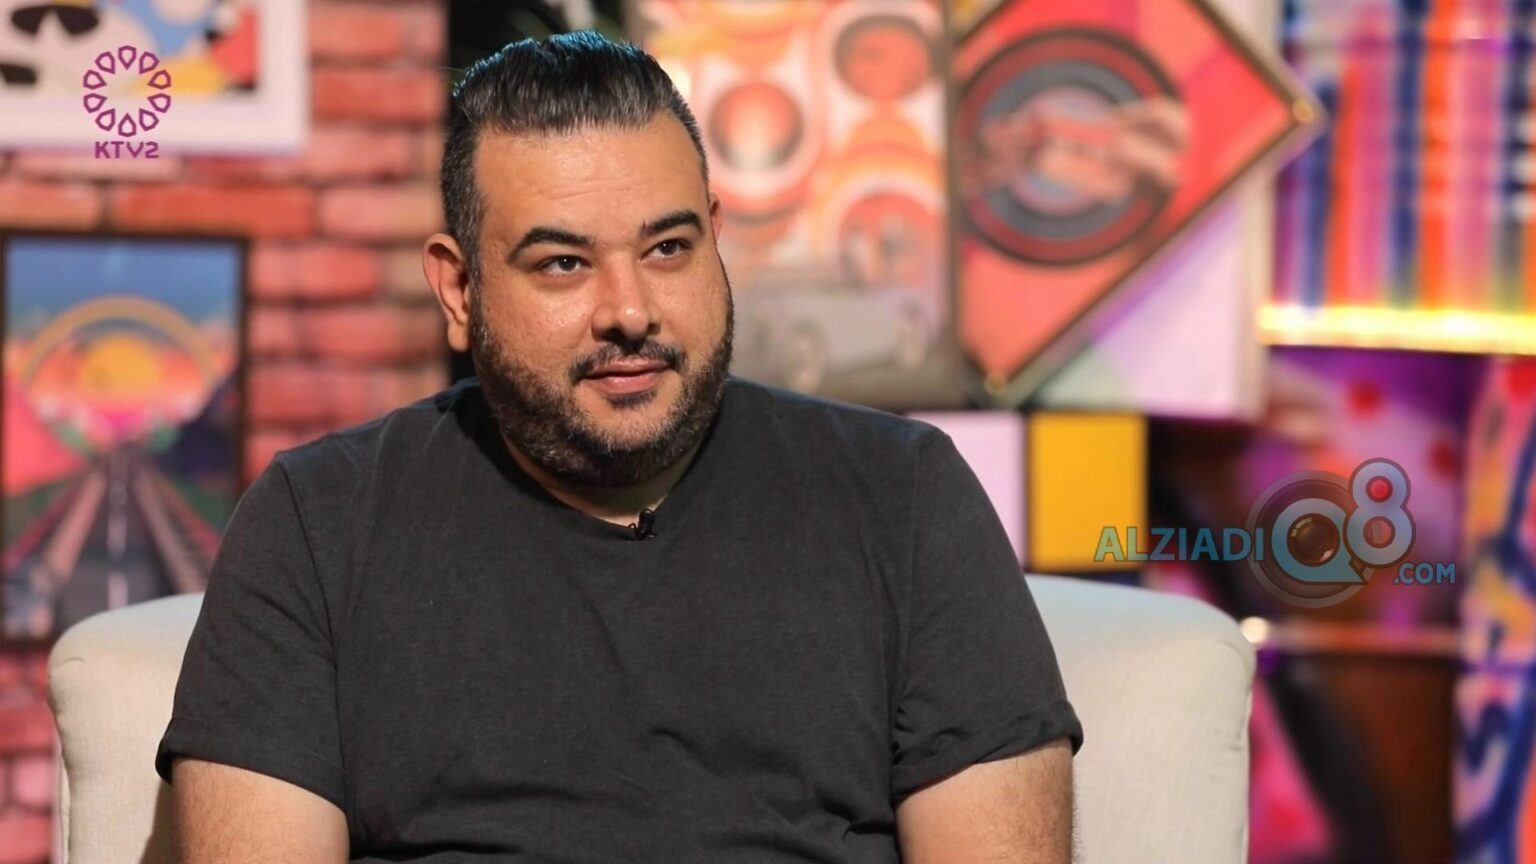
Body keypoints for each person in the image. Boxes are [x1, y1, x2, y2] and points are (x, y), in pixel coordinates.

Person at [155, 31, 1083, 863]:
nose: (630, 311)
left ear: (716, 238)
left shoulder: (903, 498)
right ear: (459, 290)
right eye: (563, 263)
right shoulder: (319, 527)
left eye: (668, 248)